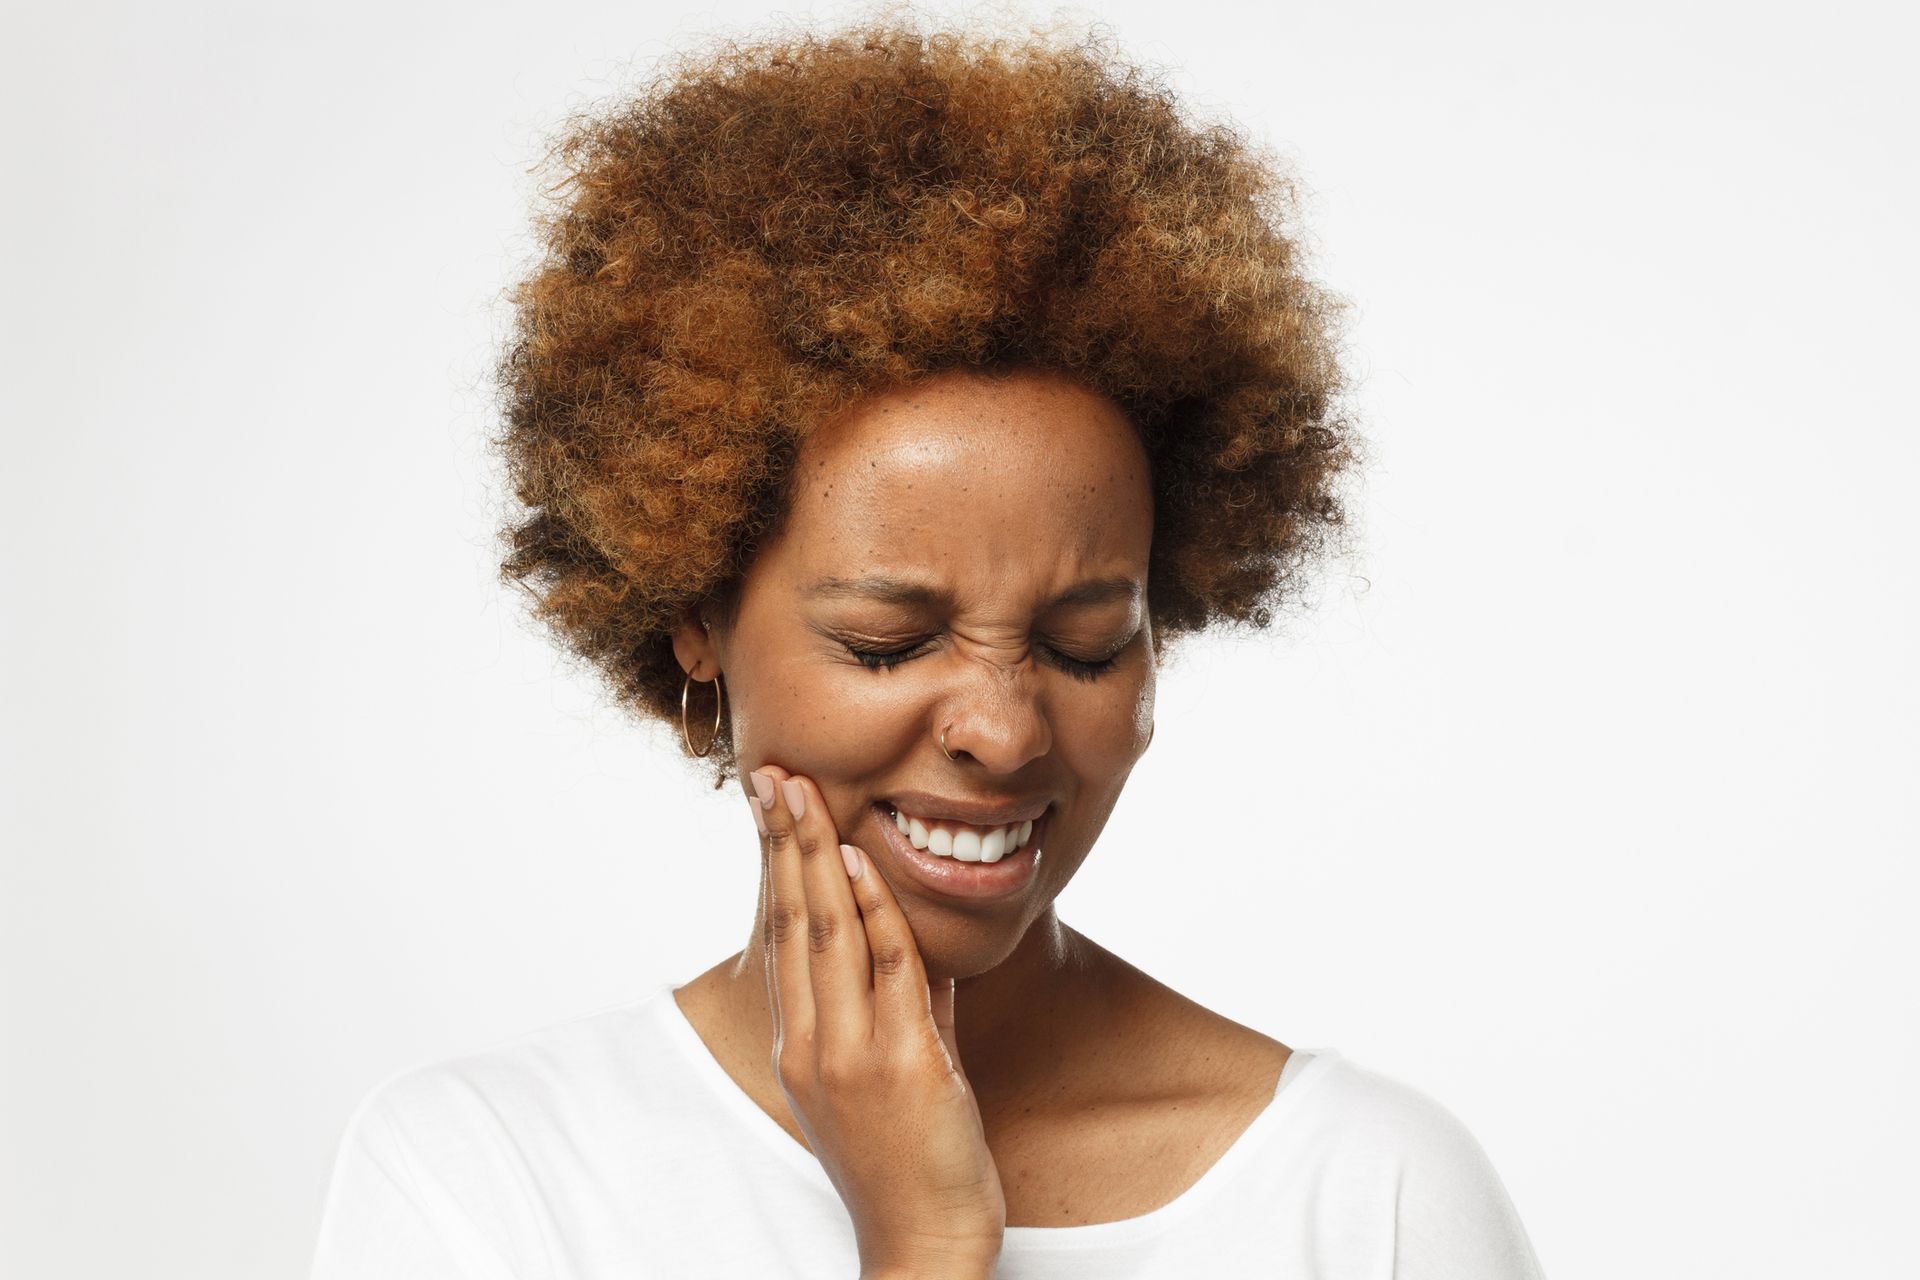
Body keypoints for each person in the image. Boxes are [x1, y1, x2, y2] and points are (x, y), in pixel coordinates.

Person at [311, 12, 1548, 1279]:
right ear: (694, 612)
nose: (1004, 731)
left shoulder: (1365, 1194)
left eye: (1083, 645)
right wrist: (922, 1245)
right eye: (889, 641)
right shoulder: (487, 1179)